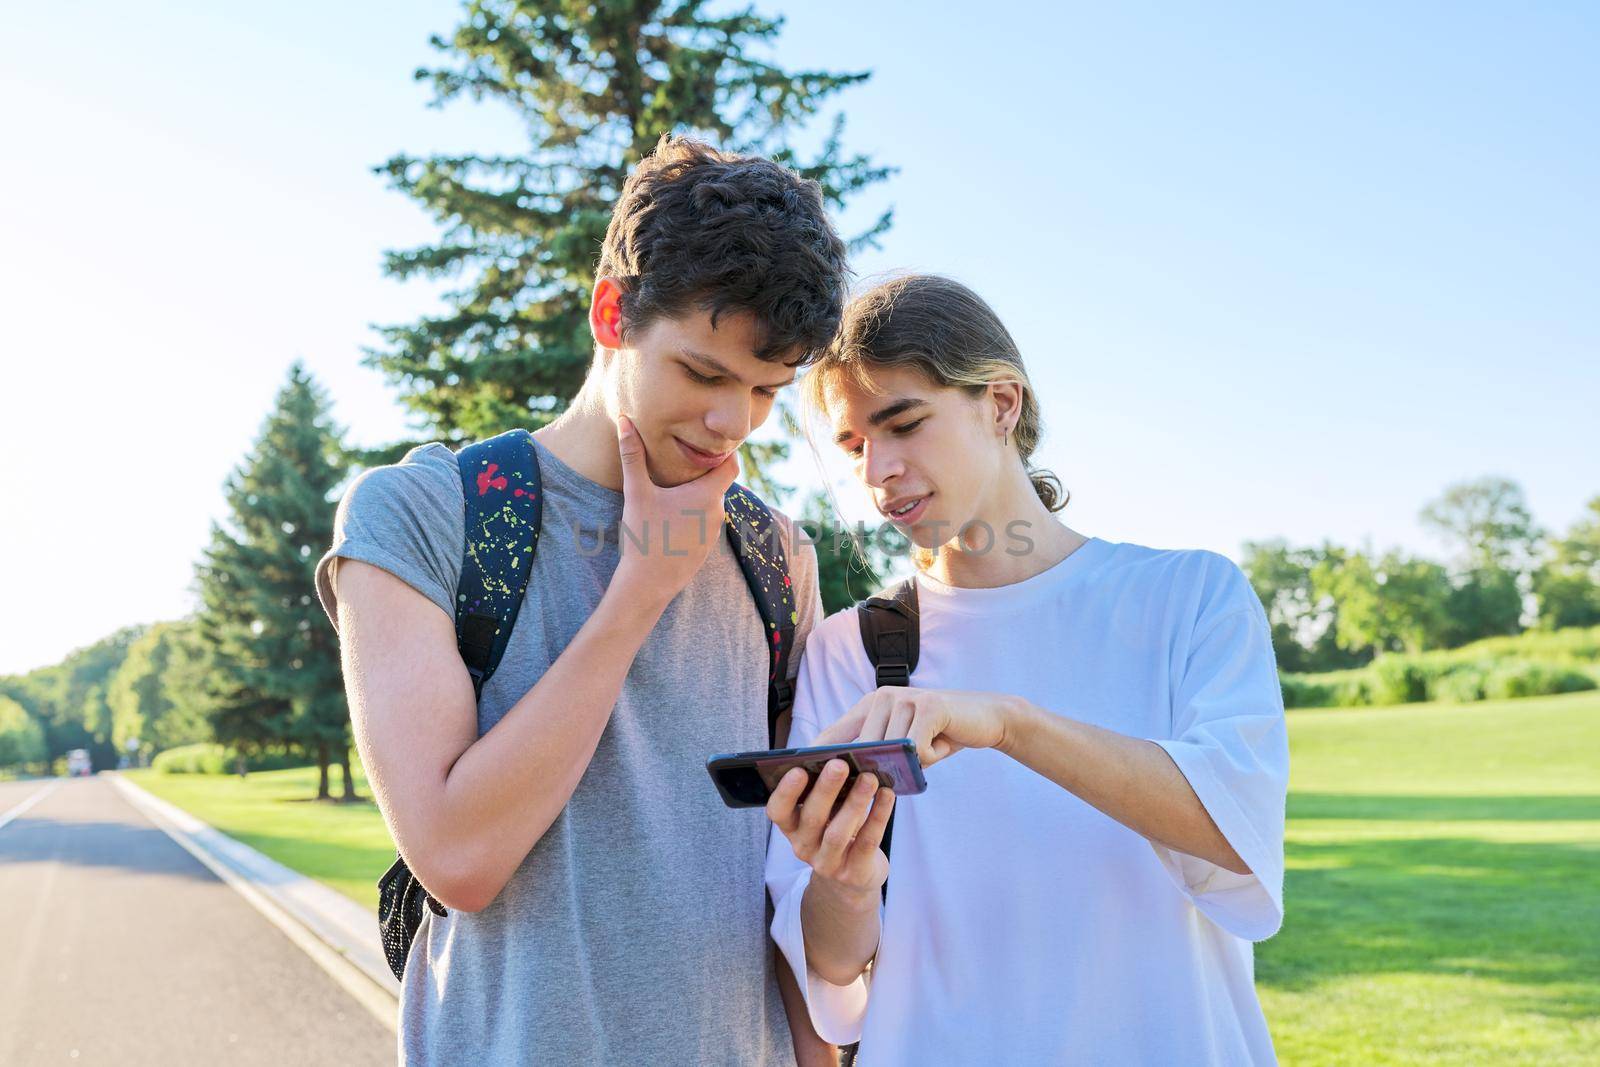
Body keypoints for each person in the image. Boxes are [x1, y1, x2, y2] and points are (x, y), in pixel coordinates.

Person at [316, 136, 849, 1065]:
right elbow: (458, 857)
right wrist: (641, 590)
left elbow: (785, 884)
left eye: (767, 390)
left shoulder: (776, 558)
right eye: (703, 373)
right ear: (613, 313)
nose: (735, 423)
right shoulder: (421, 513)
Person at [765, 275, 1289, 1064]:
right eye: (854, 446)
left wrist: (1010, 724)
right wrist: (843, 879)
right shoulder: (854, 649)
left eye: (903, 424)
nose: (879, 472)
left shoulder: (1187, 596)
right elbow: (832, 968)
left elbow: (1235, 833)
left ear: (1001, 404)